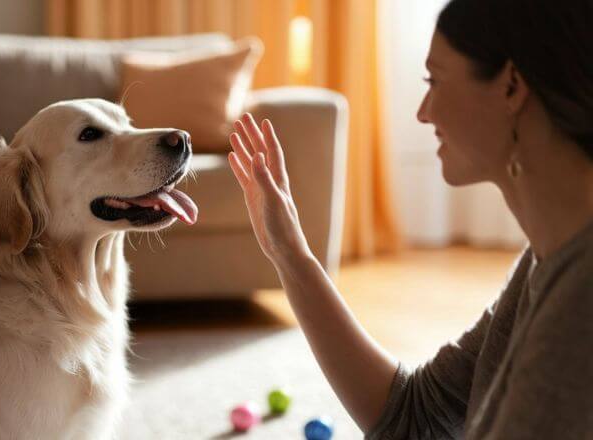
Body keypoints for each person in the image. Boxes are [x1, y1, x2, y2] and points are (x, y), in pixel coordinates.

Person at [226, 0, 593, 437]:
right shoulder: (546, 260)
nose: (424, 111)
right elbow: (416, 418)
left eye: (434, 81)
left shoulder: (579, 308)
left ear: (512, 86)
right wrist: (290, 254)